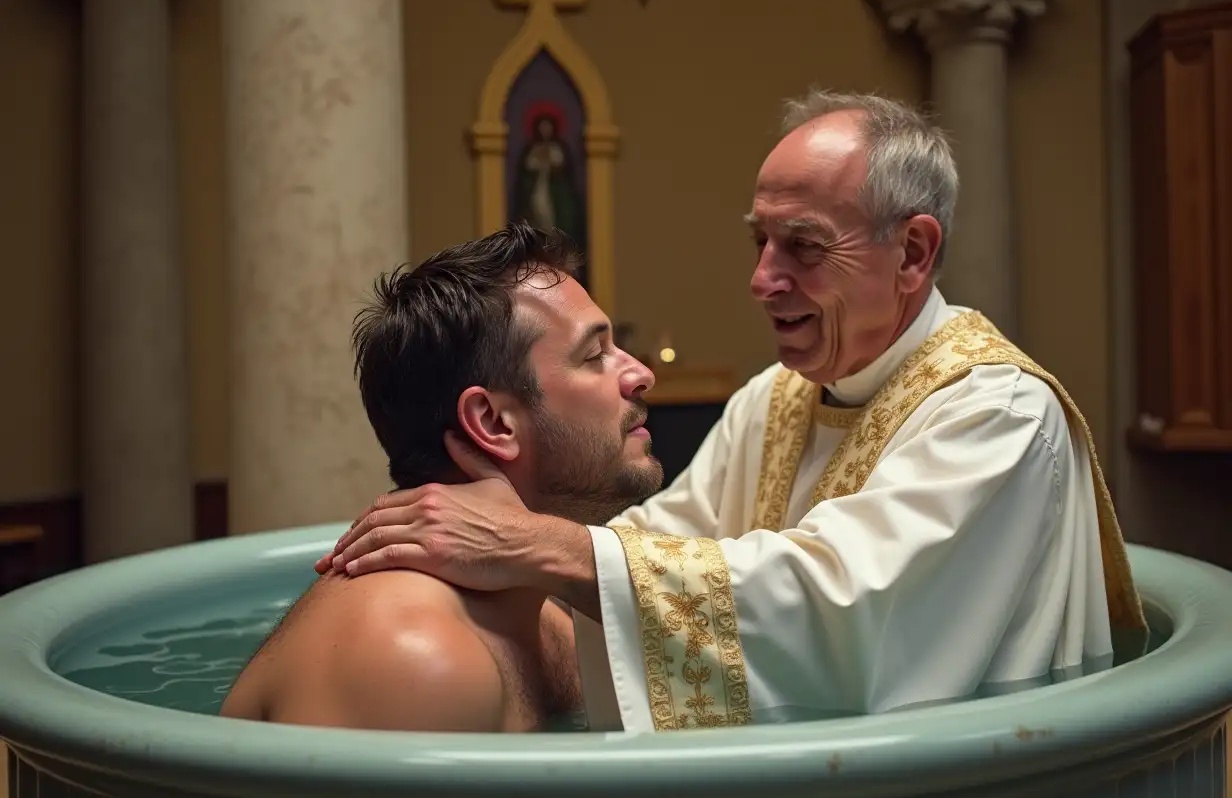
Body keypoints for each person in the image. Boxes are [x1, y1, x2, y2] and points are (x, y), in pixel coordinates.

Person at [316, 90, 1147, 733]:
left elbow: (851, 617)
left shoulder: (998, 412)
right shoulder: (778, 399)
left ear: (915, 252)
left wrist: (541, 547)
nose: (762, 279)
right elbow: (666, 542)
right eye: (760, 241)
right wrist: (491, 570)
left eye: (804, 246)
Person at [220, 223, 664, 732]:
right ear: (494, 423)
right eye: (594, 355)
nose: (641, 374)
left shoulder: (547, 620)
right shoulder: (409, 655)